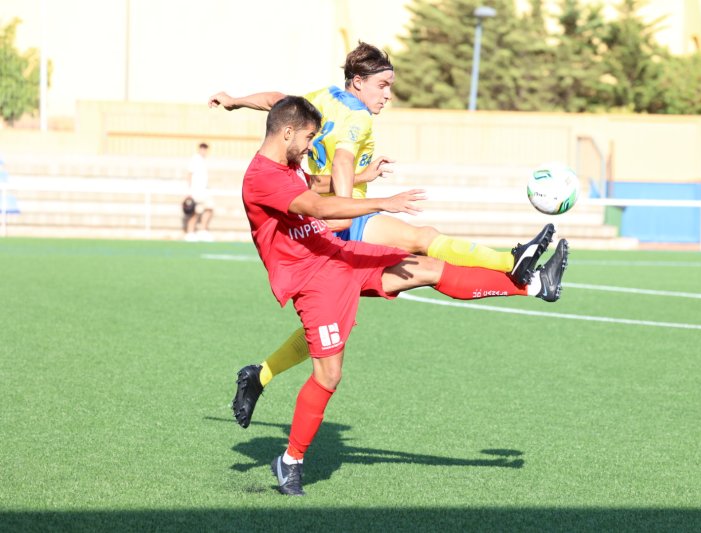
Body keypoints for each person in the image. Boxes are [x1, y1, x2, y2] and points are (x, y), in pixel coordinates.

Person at [233, 95, 568, 496]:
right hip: (313, 281)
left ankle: (534, 285)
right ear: (286, 132)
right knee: (329, 374)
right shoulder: (261, 178)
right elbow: (318, 208)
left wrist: (361, 174)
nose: (310, 146)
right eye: (307, 138)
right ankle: (290, 460)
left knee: (424, 266)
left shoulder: (288, 164)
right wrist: (382, 202)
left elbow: (315, 186)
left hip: (338, 256)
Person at [210, 42, 555, 405]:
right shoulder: (357, 115)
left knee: (333, 324)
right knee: (423, 241)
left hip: (326, 217)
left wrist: (236, 101)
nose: (388, 95)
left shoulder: (323, 98)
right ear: (358, 82)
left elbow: (277, 102)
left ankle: (260, 374)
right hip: (341, 219)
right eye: (383, 85)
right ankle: (511, 263)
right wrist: (349, 210)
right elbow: (341, 161)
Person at [185, 142, 214, 242]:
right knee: (195, 212)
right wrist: (189, 191)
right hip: (195, 191)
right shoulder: (195, 159)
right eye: (202, 148)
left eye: (205, 149)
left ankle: (202, 230)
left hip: (204, 191)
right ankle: (190, 232)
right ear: (199, 149)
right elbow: (189, 175)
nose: (204, 151)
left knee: (209, 208)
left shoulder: (204, 160)